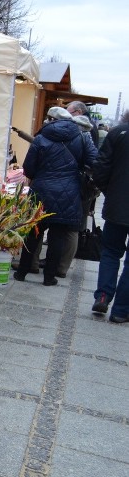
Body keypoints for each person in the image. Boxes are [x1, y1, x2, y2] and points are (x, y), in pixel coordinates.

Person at [13, 107, 98, 286]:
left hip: (40, 191)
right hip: (68, 192)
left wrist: (40, 176)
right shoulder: (81, 138)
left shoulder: (42, 138)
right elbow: (94, 161)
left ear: (51, 121)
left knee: (33, 233)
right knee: (57, 236)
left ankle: (22, 272)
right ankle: (49, 277)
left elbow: (28, 168)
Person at [90, 115, 129, 323]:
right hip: (117, 203)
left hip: (117, 206)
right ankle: (122, 310)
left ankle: (103, 296)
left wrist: (109, 191)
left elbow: (101, 167)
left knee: (111, 252)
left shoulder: (118, 133)